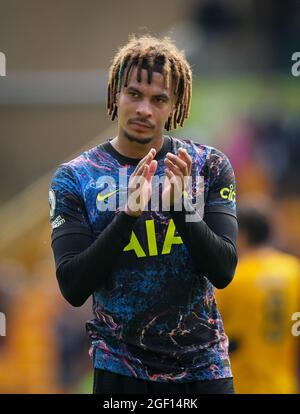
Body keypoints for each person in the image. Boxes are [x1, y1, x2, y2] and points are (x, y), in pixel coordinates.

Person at [49, 35, 238, 394]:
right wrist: (128, 215)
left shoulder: (207, 166)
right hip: (121, 368)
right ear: (115, 94)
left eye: (159, 99)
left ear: (174, 105)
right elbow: (73, 286)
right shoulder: (76, 176)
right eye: (134, 94)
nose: (143, 110)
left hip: (203, 368)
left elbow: (223, 269)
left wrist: (181, 208)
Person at [216, 201, 300, 393]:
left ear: (242, 235)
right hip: (284, 384)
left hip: (243, 385)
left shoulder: (233, 279)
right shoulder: (293, 270)